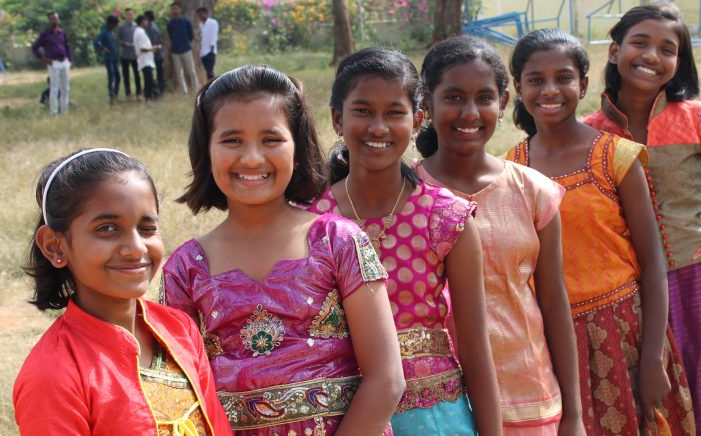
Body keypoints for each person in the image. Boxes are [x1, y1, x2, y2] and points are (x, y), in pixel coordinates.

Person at [162, 65, 404, 435]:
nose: (253, 158)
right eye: (231, 140)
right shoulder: (184, 270)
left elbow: (386, 380)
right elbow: (181, 397)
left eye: (271, 139)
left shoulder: (338, 242)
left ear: (297, 145)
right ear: (206, 149)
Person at [582, 2, 701, 436]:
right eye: (640, 43)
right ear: (614, 51)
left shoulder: (699, 118)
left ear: (679, 62)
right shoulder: (591, 133)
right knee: (651, 398)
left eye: (668, 49)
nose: (652, 56)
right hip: (631, 291)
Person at [505, 28, 696, 435]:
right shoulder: (511, 171)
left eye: (563, 77)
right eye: (536, 80)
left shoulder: (617, 157)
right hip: (549, 338)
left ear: (584, 84)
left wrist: (651, 358)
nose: (550, 89)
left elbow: (652, 263)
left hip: (625, 332)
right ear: (518, 87)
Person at [309, 47, 502, 435]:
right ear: (336, 118)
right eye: (362, 111)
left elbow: (476, 348)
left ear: (416, 121)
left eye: (394, 113)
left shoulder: (447, 219)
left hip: (436, 419)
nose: (378, 127)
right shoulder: (311, 219)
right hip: (341, 419)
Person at [415, 35, 585, 436]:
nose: (470, 113)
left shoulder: (533, 191)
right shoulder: (409, 197)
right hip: (440, 406)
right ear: (426, 104)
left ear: (504, 103)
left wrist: (574, 413)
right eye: (454, 97)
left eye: (484, 98)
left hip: (530, 396)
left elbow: (554, 302)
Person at [13, 148, 232, 435]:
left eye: (147, 228)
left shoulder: (179, 329)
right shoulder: (52, 374)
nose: (136, 248)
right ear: (55, 246)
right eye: (107, 228)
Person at [31, 11, 71, 116]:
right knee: (54, 88)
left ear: (59, 20)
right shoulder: (45, 34)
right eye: (52, 18)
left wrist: (69, 59)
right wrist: (45, 59)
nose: (54, 20)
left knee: (65, 88)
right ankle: (54, 113)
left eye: (56, 18)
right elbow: (35, 48)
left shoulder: (62, 32)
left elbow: (66, 46)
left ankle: (64, 111)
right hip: (54, 62)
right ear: (49, 20)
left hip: (64, 62)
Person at [167, 2, 199, 94]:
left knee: (191, 70)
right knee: (179, 73)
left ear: (180, 10)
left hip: (186, 50)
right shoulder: (170, 23)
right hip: (175, 51)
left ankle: (195, 90)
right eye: (173, 9)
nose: (175, 10)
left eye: (176, 8)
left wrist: (185, 43)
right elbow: (170, 36)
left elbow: (191, 36)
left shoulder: (186, 21)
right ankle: (183, 92)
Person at [94, 15, 120, 105]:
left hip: (114, 57)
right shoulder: (104, 32)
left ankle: (115, 94)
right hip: (109, 58)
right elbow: (96, 42)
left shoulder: (110, 32)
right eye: (115, 25)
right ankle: (111, 96)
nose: (116, 27)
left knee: (117, 76)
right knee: (111, 76)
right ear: (111, 24)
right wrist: (103, 48)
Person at [133, 15, 160, 101]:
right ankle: (148, 98)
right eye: (146, 21)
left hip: (147, 59)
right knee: (148, 80)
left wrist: (152, 47)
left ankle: (150, 97)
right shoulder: (140, 32)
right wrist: (154, 48)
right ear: (142, 21)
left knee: (149, 79)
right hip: (145, 60)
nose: (147, 23)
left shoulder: (141, 31)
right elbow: (142, 48)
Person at [118, 8, 142, 100]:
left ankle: (139, 93)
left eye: (131, 14)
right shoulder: (121, 27)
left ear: (133, 15)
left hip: (135, 54)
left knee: (137, 74)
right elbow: (118, 40)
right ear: (125, 16)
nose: (129, 16)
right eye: (127, 14)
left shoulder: (137, 26)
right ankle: (128, 94)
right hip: (124, 54)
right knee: (126, 75)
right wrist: (124, 43)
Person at [144, 10, 166, 95]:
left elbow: (153, 43)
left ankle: (160, 90)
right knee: (158, 73)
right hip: (158, 54)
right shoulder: (152, 26)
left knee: (158, 74)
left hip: (156, 54)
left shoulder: (151, 29)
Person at [197, 7, 218, 80]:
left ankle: (213, 88)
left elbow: (214, 36)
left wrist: (212, 51)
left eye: (201, 14)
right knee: (207, 72)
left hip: (210, 51)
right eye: (199, 15)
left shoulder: (213, 22)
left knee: (210, 72)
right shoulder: (201, 25)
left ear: (206, 13)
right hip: (203, 52)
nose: (200, 16)